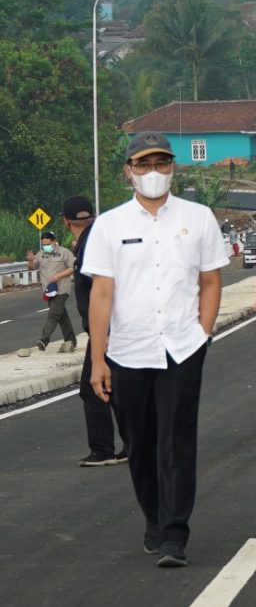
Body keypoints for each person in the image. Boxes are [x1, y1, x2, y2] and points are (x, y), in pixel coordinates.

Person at [83, 131, 230, 568]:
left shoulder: (199, 217)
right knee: (140, 443)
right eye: (144, 165)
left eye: (161, 164)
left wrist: (202, 333)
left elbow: (210, 281)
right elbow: (101, 295)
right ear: (128, 171)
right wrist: (98, 359)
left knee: (176, 441)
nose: (153, 173)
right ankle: (153, 516)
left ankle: (174, 534)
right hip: (127, 351)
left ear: (173, 168)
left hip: (182, 348)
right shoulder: (109, 225)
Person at [64, 196, 129, 467]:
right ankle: (131, 444)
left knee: (94, 388)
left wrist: (106, 332)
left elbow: (102, 290)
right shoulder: (96, 240)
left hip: (107, 327)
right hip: (114, 325)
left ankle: (103, 450)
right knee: (113, 386)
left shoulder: (90, 246)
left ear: (67, 222)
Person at [26, 231, 78, 353]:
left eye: (48, 244)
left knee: (54, 314)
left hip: (62, 288)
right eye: (43, 244)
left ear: (54, 242)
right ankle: (71, 340)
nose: (45, 246)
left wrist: (59, 275)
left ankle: (44, 339)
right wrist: (30, 261)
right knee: (61, 315)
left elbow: (72, 268)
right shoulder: (41, 254)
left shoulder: (64, 252)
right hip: (48, 290)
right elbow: (32, 267)